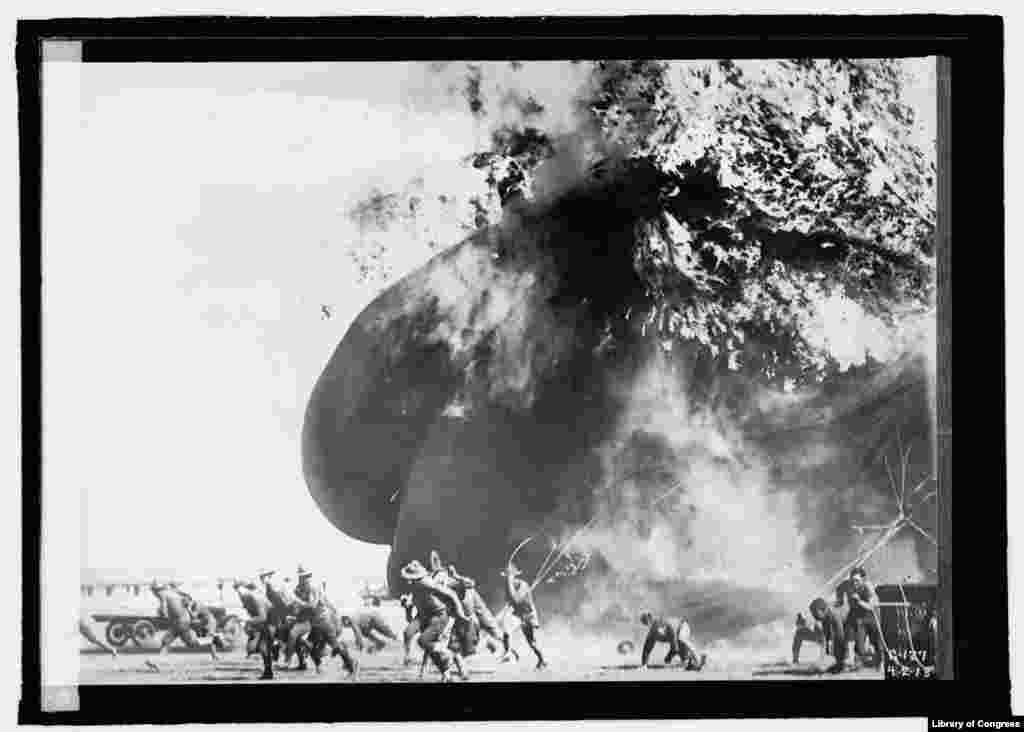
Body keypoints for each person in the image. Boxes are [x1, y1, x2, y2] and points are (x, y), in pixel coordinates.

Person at [401, 559, 472, 682]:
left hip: (439, 615)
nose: (407, 580)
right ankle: (411, 659)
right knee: (409, 633)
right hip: (423, 615)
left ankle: (452, 664)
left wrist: (460, 613)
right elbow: (410, 606)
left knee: (425, 642)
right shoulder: (413, 584)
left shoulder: (428, 582)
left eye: (410, 577)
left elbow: (452, 594)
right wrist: (407, 609)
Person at [290, 565, 359, 678]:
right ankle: (321, 666)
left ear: (308, 577)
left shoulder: (313, 588)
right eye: (301, 577)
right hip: (316, 623)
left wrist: (298, 603)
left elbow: (312, 605)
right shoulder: (301, 589)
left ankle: (351, 664)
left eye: (305, 577)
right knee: (308, 645)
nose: (303, 579)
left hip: (323, 622)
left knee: (335, 646)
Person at [145, 579, 220, 671]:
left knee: (184, 642)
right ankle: (156, 661)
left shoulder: (162, 594)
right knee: (169, 641)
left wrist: (162, 614)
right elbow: (183, 602)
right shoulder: (171, 592)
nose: (153, 593)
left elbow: (163, 608)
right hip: (180, 622)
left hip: (180, 622)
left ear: (156, 589)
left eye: (152, 590)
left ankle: (212, 639)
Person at [498, 562, 547, 669]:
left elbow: (516, 599)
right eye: (507, 575)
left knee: (532, 643)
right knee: (506, 632)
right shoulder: (507, 586)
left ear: (515, 574)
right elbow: (510, 601)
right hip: (518, 615)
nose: (508, 577)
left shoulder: (523, 585)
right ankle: (508, 654)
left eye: (510, 574)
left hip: (528, 615)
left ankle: (542, 660)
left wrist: (510, 583)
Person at [835, 567, 884, 668]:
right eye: (852, 580)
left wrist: (859, 601)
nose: (854, 583)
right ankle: (851, 660)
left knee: (876, 642)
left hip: (870, 615)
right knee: (852, 635)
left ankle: (879, 661)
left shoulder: (868, 587)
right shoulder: (846, 584)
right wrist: (839, 600)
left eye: (857, 580)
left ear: (863, 580)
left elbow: (871, 607)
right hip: (855, 614)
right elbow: (839, 589)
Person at [449, 566, 502, 655]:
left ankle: (488, 642)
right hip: (463, 620)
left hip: (472, 618)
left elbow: (470, 583)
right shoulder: (449, 587)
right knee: (460, 648)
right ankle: (485, 642)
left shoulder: (467, 589)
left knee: (470, 649)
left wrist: (456, 576)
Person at [234, 578, 275, 680]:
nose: (238, 592)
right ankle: (268, 670)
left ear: (247, 588)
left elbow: (262, 617)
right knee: (258, 648)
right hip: (265, 622)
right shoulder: (247, 597)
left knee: (263, 647)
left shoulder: (256, 598)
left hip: (271, 622)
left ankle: (268, 672)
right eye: (236, 589)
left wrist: (247, 621)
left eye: (239, 588)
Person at [638, 611, 706, 671]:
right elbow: (646, 649)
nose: (644, 623)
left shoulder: (660, 623)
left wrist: (671, 653)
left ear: (650, 618)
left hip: (682, 626)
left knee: (681, 639)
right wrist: (644, 665)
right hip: (676, 636)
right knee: (682, 659)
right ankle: (692, 662)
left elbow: (673, 633)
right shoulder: (652, 633)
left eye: (645, 620)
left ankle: (698, 659)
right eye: (643, 621)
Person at [810, 597, 849, 674]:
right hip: (837, 620)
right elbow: (827, 637)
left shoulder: (834, 615)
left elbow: (840, 637)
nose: (813, 615)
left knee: (839, 642)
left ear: (823, 610)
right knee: (828, 640)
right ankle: (833, 663)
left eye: (815, 612)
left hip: (849, 622)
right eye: (812, 613)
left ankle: (842, 665)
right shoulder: (824, 615)